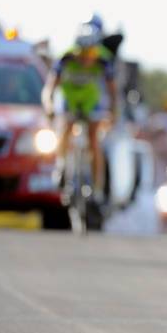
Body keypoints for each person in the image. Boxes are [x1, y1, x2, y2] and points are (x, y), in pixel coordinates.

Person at [42, 22, 117, 203]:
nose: (85, 59)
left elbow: (113, 92)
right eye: (82, 53)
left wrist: (113, 112)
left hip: (92, 102)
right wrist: (50, 107)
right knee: (66, 127)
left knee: (93, 139)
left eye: (90, 53)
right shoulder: (65, 58)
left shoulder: (103, 60)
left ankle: (97, 188)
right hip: (70, 100)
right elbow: (50, 88)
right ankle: (61, 167)